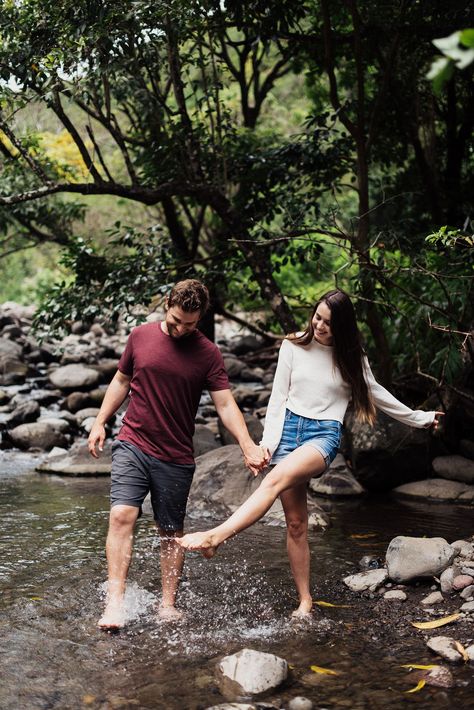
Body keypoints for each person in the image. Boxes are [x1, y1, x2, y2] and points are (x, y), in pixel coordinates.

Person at [177, 289, 444, 617]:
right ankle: (305, 601)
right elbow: (277, 400)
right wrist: (268, 444)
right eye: (317, 317)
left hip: (323, 435)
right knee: (297, 523)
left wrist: (420, 418)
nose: (320, 325)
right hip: (287, 432)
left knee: (274, 480)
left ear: (342, 326)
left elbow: (377, 393)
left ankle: (216, 536)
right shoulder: (293, 344)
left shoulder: (352, 357)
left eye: (329, 323)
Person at [88, 279, 267, 630]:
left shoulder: (208, 353)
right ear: (166, 303)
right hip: (133, 442)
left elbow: (225, 403)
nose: (181, 329)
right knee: (122, 515)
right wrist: (99, 421)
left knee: (170, 532)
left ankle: (167, 604)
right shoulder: (140, 336)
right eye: (175, 320)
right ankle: (115, 605)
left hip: (175, 456)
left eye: (190, 323)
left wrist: (246, 444)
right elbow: (121, 381)